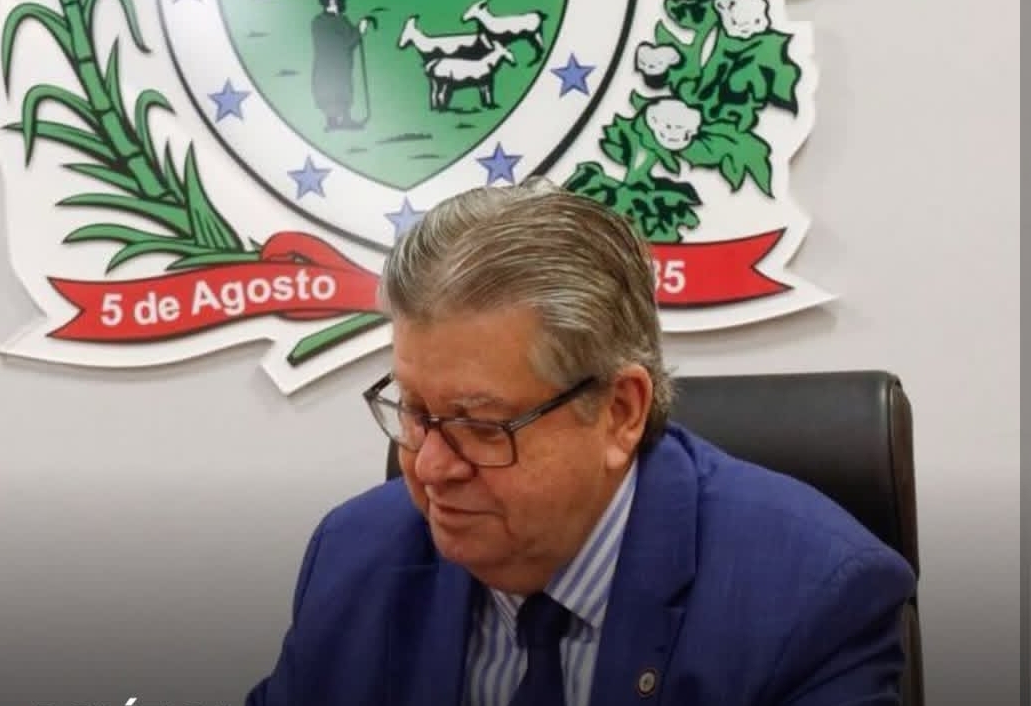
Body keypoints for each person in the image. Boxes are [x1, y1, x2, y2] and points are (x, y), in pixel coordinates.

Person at [245, 179, 917, 706]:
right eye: (417, 412)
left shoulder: (808, 601)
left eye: (481, 425)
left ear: (620, 412)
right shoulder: (354, 559)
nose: (430, 466)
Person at [310, 0, 374, 130]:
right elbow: (348, 41)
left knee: (330, 91)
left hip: (326, 66)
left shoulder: (318, 21)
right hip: (338, 66)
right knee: (340, 90)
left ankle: (333, 121)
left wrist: (358, 31)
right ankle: (344, 120)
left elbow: (348, 40)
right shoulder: (337, 21)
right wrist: (361, 29)